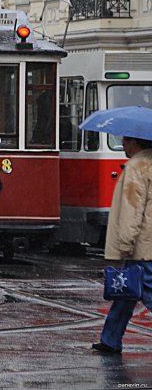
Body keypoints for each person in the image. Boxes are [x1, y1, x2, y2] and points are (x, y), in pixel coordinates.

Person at [92, 136, 152, 354]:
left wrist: (126, 241)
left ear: (136, 142)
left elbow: (132, 208)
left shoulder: (137, 166)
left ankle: (111, 338)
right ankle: (110, 339)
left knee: (146, 291)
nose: (124, 145)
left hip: (143, 246)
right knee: (125, 291)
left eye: (126, 141)